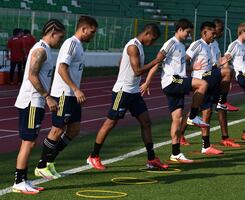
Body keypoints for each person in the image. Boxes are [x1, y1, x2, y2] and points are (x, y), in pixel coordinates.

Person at [86, 23, 169, 170]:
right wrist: (157, 61)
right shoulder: (133, 46)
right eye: (153, 39)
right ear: (147, 34)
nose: (153, 43)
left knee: (146, 122)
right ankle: (93, 156)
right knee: (110, 123)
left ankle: (151, 158)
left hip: (134, 92)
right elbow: (137, 71)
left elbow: (121, 62)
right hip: (122, 92)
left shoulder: (138, 46)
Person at [34, 16, 98, 179]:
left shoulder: (79, 46)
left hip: (72, 95)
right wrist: (76, 89)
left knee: (74, 130)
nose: (93, 35)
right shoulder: (71, 44)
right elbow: (62, 68)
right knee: (57, 129)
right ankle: (42, 165)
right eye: (92, 32)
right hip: (64, 93)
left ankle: (50, 162)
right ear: (83, 29)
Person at [142, 19, 210, 163]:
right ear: (179, 29)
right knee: (203, 84)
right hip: (172, 81)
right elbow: (157, 61)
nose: (189, 35)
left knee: (177, 119)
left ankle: (175, 153)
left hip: (177, 81)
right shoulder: (171, 43)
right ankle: (192, 116)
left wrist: (192, 68)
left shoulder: (181, 45)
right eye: (187, 32)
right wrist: (147, 81)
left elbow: (179, 67)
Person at [12, 19, 65, 194]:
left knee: (29, 142)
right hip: (32, 101)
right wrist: (47, 97)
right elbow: (32, 76)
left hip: (35, 101)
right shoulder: (41, 50)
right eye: (60, 36)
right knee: (28, 142)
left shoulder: (45, 49)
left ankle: (23, 180)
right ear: (52, 33)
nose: (61, 40)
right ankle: (19, 182)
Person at [180, 19, 240, 148]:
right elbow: (184, 60)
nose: (216, 34)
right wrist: (192, 68)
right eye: (214, 32)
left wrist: (223, 63)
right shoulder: (198, 44)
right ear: (206, 32)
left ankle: (206, 145)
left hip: (211, 77)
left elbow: (215, 63)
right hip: (201, 78)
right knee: (208, 108)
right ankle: (222, 102)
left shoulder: (213, 45)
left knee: (206, 111)